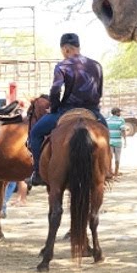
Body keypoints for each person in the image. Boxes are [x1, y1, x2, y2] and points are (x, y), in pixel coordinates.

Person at [28, 33, 105, 186]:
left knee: (35, 133)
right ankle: (105, 170)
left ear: (65, 49)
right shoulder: (96, 65)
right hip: (92, 111)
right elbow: (100, 91)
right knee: (105, 135)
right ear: (79, 47)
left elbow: (56, 90)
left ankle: (37, 172)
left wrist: (54, 108)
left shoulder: (62, 66)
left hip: (66, 111)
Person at [105, 107, 126, 177]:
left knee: (109, 157)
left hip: (109, 141)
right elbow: (123, 130)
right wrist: (125, 140)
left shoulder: (107, 120)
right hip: (118, 142)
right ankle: (116, 172)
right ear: (117, 113)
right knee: (117, 158)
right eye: (119, 112)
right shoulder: (121, 120)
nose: (120, 113)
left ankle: (109, 172)